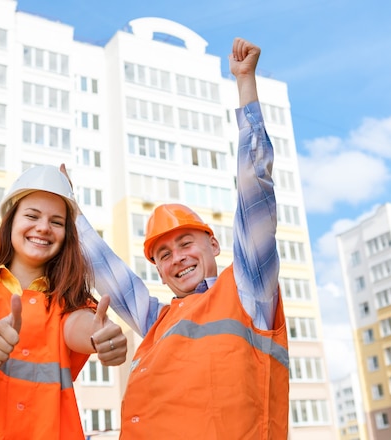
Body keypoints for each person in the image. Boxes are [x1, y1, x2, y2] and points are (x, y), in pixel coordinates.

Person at [72, 37, 289, 439]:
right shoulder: (157, 321)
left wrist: (245, 86)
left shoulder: (248, 292)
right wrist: (72, 214)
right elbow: (111, 275)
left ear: (214, 245)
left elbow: (254, 191)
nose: (177, 259)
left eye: (186, 243)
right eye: (164, 254)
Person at [0, 164, 127, 440]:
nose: (43, 227)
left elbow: (80, 325)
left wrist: (100, 335)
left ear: (67, 236)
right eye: (32, 215)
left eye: (56, 221)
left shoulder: (71, 303)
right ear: (11, 222)